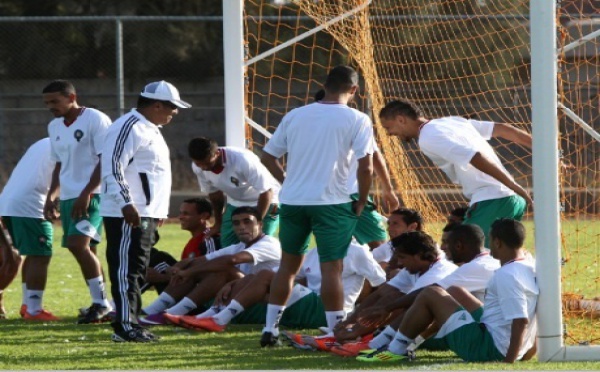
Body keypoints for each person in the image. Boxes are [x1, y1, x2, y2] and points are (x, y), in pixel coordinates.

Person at [260, 65, 374, 347]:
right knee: (331, 269)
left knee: (287, 267)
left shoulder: (296, 114)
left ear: (324, 84)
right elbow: (367, 167)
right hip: (332, 202)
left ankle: (269, 329)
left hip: (294, 201)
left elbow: (268, 157)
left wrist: (288, 181)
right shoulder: (357, 119)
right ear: (354, 90)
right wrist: (361, 200)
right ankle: (336, 332)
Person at [360, 218, 538, 363]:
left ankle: (395, 349)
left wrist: (508, 362)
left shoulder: (506, 274)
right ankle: (401, 343)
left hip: (491, 349)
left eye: (491, 239)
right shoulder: (527, 266)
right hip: (500, 338)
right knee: (455, 290)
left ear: (497, 242)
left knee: (431, 294)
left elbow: (520, 320)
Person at [101, 80, 191, 342]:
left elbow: (152, 173)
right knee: (126, 269)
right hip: (128, 212)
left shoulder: (150, 128)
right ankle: (124, 327)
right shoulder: (129, 126)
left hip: (145, 211)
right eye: (172, 107)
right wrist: (126, 203)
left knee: (137, 269)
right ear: (157, 104)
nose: (174, 112)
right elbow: (112, 167)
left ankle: (132, 322)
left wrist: (158, 209)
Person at [379, 99, 533, 246]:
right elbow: (500, 129)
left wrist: (515, 186)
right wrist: (538, 144)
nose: (389, 133)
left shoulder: (428, 137)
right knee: (501, 257)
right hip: (508, 199)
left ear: (401, 119)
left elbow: (474, 157)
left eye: (388, 127)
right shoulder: (452, 121)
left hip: (493, 199)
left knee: (467, 253)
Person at [179, 241, 385, 339]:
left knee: (266, 276)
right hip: (306, 308)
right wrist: (234, 283)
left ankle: (218, 318)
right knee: (256, 276)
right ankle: (212, 316)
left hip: (327, 310)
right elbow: (281, 274)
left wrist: (361, 315)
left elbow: (381, 281)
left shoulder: (357, 251)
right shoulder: (315, 251)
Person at [42, 80, 112, 323]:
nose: (50, 106)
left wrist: (86, 192)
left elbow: (106, 158)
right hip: (70, 197)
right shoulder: (54, 126)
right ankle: (103, 304)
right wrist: (51, 195)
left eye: (55, 101)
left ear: (72, 97)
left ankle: (101, 303)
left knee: (77, 245)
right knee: (87, 250)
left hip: (94, 195)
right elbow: (59, 163)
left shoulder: (95, 118)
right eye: (47, 102)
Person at [140, 207, 281, 325]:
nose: (242, 227)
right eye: (237, 223)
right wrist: (179, 267)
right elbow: (203, 260)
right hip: (238, 290)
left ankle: (172, 313)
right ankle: (154, 310)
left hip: (263, 293)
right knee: (208, 267)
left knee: (221, 269)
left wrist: (188, 272)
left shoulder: (269, 243)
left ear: (260, 225)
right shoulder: (239, 246)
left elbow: (231, 260)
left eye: (247, 222)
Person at [332, 231, 456, 351]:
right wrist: (348, 322)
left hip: (443, 336)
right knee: (394, 296)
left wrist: (386, 309)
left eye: (402, 257)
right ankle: (355, 335)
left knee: (407, 304)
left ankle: (374, 342)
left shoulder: (438, 272)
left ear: (418, 255)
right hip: (427, 329)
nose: (399, 263)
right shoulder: (416, 268)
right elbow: (381, 293)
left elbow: (413, 307)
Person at [315, 89, 399, 249]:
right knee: (381, 247)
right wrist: (388, 189)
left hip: (318, 198)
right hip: (350, 196)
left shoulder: (308, 125)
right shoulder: (355, 121)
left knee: (333, 250)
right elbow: (373, 158)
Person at [188, 137, 281, 247]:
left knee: (260, 244)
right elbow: (215, 196)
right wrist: (218, 223)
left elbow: (266, 191)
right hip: (236, 202)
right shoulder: (198, 167)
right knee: (227, 246)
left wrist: (256, 221)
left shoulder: (243, 160)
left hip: (268, 200)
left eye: (208, 163)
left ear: (217, 153)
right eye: (199, 164)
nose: (204, 167)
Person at [0, 138, 56, 320]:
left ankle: (28, 306)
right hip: (31, 206)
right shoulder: (68, 142)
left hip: (8, 202)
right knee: (40, 255)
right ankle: (33, 309)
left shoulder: (43, 142)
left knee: (17, 258)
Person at [141, 198, 220, 295]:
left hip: (199, 296)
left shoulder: (209, 239)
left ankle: (126, 302)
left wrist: (163, 278)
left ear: (204, 216)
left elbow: (209, 274)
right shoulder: (194, 241)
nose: (180, 217)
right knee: (150, 254)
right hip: (186, 287)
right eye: (180, 213)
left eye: (186, 214)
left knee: (160, 260)